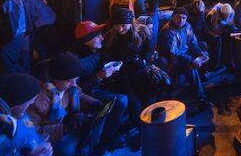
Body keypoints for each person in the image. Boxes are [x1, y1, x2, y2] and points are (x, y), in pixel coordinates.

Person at [27, 52, 104, 155]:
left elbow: (78, 93)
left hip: (68, 120)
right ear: (56, 78)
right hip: (52, 134)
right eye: (70, 81)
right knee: (67, 149)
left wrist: (94, 103)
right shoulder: (36, 100)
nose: (74, 84)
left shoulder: (68, 84)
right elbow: (34, 131)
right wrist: (67, 126)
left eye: (76, 80)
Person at [72, 21, 128, 151]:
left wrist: (111, 69)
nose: (102, 38)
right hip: (87, 93)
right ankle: (104, 141)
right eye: (97, 36)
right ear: (86, 40)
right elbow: (75, 89)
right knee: (121, 100)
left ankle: (112, 134)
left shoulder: (98, 50)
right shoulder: (74, 59)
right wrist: (98, 77)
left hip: (99, 86)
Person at [102, 8, 154, 123]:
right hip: (124, 77)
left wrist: (141, 61)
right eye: (116, 25)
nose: (120, 29)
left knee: (149, 102)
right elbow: (108, 56)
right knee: (136, 107)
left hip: (141, 74)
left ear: (130, 22)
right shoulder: (109, 36)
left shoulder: (142, 32)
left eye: (123, 25)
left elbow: (149, 51)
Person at [158, 8, 209, 107]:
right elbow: (174, 52)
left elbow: (193, 43)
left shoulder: (187, 26)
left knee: (203, 50)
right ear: (173, 17)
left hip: (184, 54)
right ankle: (200, 96)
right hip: (172, 61)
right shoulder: (167, 31)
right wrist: (191, 60)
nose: (181, 20)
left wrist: (200, 54)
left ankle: (200, 80)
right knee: (191, 66)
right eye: (179, 17)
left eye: (184, 18)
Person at [0, 73, 53, 156]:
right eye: (30, 101)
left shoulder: (19, 114)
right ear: (16, 103)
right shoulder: (4, 129)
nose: (32, 103)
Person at [206, 3, 238, 67]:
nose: (227, 16)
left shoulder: (232, 12)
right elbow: (214, 29)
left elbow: (232, 24)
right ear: (222, 13)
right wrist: (223, 31)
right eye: (226, 14)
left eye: (228, 14)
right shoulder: (215, 14)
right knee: (224, 38)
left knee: (233, 36)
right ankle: (222, 61)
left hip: (225, 29)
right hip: (214, 31)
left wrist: (234, 29)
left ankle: (232, 59)